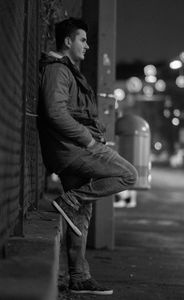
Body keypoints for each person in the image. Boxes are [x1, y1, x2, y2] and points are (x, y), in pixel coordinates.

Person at [38, 17, 138, 295]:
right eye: (82, 39)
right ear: (68, 41)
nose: (88, 45)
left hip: (71, 148)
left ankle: (79, 277)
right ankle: (69, 200)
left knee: (80, 214)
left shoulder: (67, 70)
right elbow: (55, 112)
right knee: (129, 175)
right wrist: (88, 140)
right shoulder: (58, 70)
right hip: (74, 149)